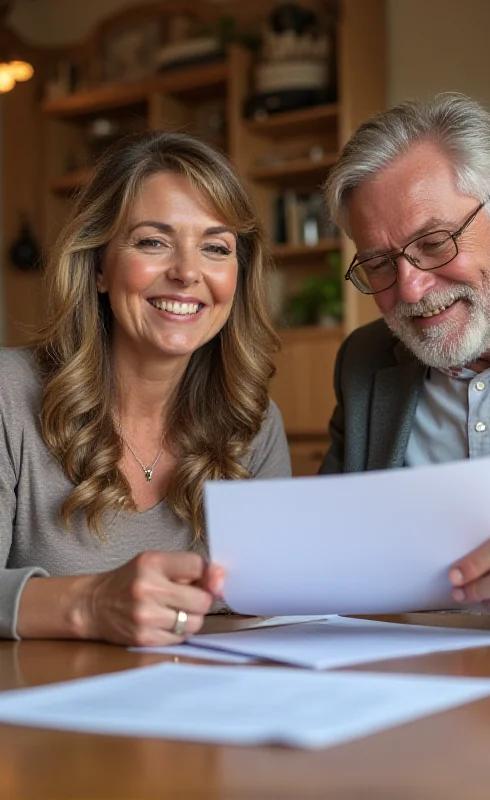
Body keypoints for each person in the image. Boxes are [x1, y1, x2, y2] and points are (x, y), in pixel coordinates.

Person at [0, 130, 291, 644]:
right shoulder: (8, 395)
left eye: (216, 247)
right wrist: (89, 604)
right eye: (153, 242)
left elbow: (274, 607)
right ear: (97, 268)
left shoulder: (254, 422)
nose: (186, 272)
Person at [321, 94, 490, 630]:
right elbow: (331, 547)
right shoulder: (365, 361)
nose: (411, 287)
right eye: (378, 263)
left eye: (435, 242)